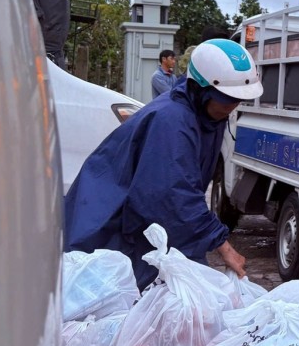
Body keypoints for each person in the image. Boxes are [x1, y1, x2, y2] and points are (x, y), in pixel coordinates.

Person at [64, 38, 263, 288]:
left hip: (142, 224)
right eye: (227, 99)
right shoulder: (171, 121)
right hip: (107, 227)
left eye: (238, 99)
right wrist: (222, 245)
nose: (233, 106)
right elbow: (174, 197)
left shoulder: (209, 116)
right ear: (201, 90)